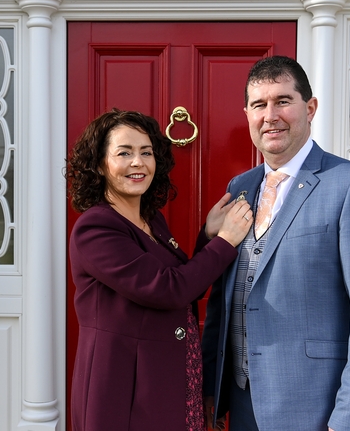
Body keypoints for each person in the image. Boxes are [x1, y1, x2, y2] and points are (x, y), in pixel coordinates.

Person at [200, 56, 350, 431]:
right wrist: (213, 384)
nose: (270, 115)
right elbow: (223, 299)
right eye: (259, 105)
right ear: (247, 115)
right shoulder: (239, 188)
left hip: (316, 408)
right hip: (241, 405)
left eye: (282, 101)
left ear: (310, 108)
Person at [66, 109, 253, 431]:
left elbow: (183, 279)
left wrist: (207, 236)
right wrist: (226, 241)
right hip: (125, 389)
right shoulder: (95, 228)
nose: (138, 162)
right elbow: (169, 289)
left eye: (146, 152)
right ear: (100, 164)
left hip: (170, 377)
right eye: (124, 153)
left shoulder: (151, 220)